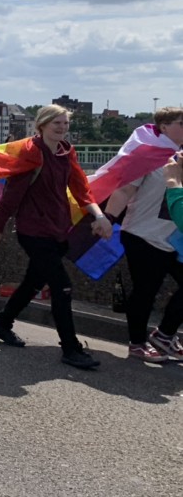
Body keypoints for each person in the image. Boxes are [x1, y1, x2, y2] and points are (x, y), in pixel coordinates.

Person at [0, 105, 113, 370]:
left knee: (33, 282)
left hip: (58, 229)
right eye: (56, 123)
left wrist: (100, 216)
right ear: (41, 125)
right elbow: (11, 196)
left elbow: (81, 189)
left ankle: (2, 323)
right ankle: (71, 349)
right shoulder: (31, 153)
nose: (62, 128)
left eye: (65, 123)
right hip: (33, 231)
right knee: (62, 287)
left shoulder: (67, 151)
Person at [103, 108, 183, 361]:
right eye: (182, 123)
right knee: (145, 291)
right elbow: (124, 190)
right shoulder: (149, 155)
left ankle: (164, 336)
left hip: (175, 239)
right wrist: (108, 218)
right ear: (164, 126)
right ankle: (137, 343)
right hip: (143, 234)